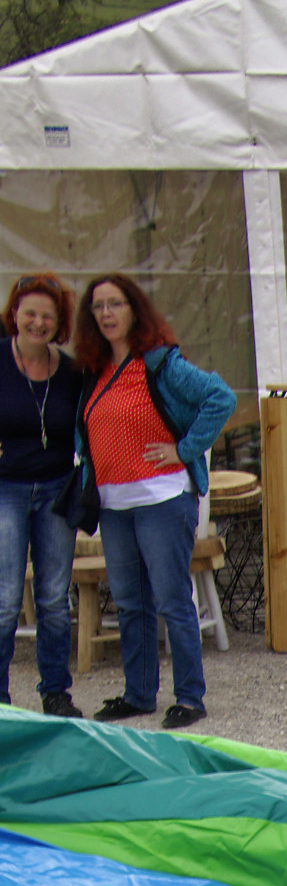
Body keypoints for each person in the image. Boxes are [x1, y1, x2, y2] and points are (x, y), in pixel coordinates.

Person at [71, 274, 236, 730]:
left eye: (115, 304)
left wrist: (184, 450)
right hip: (113, 503)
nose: (107, 313)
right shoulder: (93, 370)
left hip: (162, 497)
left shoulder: (160, 363)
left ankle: (189, 697)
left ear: (134, 310)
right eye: (98, 306)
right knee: (129, 602)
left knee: (171, 598)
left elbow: (220, 398)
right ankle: (139, 693)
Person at [0, 273, 85, 717]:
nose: (37, 323)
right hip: (6, 488)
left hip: (56, 488)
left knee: (53, 597)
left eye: (47, 316)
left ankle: (55, 691)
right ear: (14, 313)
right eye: (29, 313)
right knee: (5, 598)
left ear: (59, 322)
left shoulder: (70, 372)